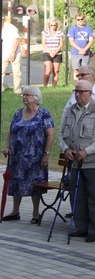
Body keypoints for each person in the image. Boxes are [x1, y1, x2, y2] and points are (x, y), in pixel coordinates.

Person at [57, 80, 95, 242]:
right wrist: (66, 149)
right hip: (75, 162)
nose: (78, 94)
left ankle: (93, 230)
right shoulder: (69, 111)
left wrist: (86, 151)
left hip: (94, 163)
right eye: (76, 91)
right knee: (77, 195)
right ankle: (80, 227)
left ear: (90, 93)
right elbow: (61, 134)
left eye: (81, 92)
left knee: (94, 197)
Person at [2, 86, 54, 222]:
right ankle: (15, 211)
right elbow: (10, 132)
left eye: (27, 95)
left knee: (35, 184)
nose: (24, 97)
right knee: (15, 182)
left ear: (36, 98)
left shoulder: (44, 114)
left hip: (35, 158)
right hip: (17, 156)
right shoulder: (18, 113)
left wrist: (46, 154)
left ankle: (36, 213)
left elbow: (50, 135)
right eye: (23, 95)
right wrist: (7, 146)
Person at [41, 18, 65, 87]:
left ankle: (54, 86)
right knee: (48, 70)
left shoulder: (59, 33)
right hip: (47, 52)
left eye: (54, 25)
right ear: (49, 25)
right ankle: (45, 86)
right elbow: (43, 43)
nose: (53, 26)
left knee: (56, 71)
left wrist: (55, 52)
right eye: (51, 25)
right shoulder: (45, 32)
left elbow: (61, 44)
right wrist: (50, 51)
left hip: (57, 53)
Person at [1, 16, 21, 93]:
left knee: (16, 73)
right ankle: (1, 89)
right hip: (3, 54)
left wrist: (13, 53)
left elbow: (17, 40)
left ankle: (17, 90)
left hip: (14, 53)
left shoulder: (10, 28)